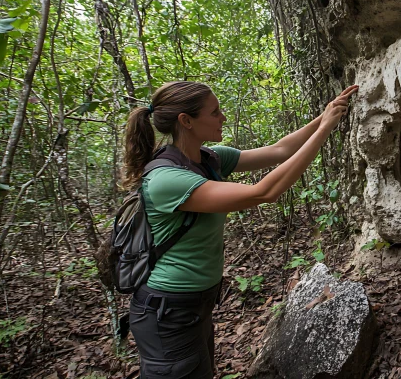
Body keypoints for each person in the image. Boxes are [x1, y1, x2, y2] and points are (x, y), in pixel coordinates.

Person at [122, 80, 358, 378]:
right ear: (187, 121)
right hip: (168, 313)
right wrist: (324, 130)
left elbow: (279, 150)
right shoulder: (166, 179)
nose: (223, 117)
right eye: (215, 112)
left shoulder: (209, 158)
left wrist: (326, 114)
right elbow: (263, 192)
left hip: (193, 306)